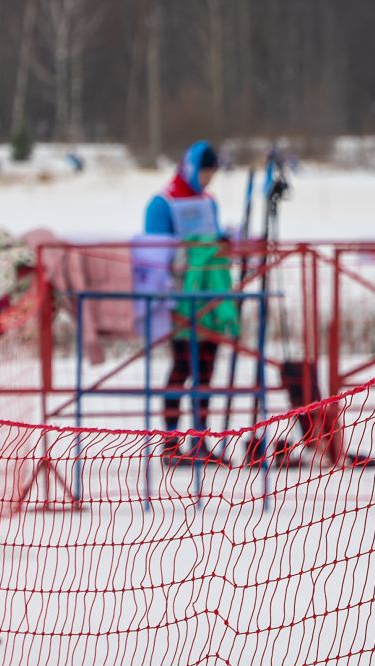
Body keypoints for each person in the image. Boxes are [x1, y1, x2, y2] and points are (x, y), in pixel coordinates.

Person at [145, 140, 236, 465]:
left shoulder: (209, 202)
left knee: (207, 369)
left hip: (210, 299)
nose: (209, 180)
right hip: (180, 300)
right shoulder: (163, 202)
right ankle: (170, 442)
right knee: (182, 366)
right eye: (206, 172)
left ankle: (199, 439)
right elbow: (153, 250)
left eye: (213, 174)